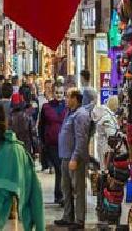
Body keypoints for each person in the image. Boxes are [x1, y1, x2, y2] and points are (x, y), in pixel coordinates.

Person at [54, 89, 90, 230]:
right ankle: (68, 216)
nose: (65, 99)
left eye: (68, 96)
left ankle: (79, 220)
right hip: (65, 157)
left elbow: (81, 139)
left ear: (75, 99)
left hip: (75, 159)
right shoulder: (69, 113)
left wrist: (75, 158)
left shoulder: (81, 115)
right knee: (66, 188)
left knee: (78, 190)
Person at [38, 84, 67, 203]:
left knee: (62, 169)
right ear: (53, 93)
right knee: (59, 168)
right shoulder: (46, 107)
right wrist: (42, 141)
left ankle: (60, 194)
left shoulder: (68, 107)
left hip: (65, 143)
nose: (59, 95)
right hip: (52, 144)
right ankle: (60, 195)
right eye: (57, 92)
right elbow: (41, 125)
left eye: (61, 93)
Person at [9, 89, 38, 159]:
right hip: (26, 148)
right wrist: (36, 150)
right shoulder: (28, 116)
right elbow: (33, 134)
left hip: (13, 149)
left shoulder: (9, 118)